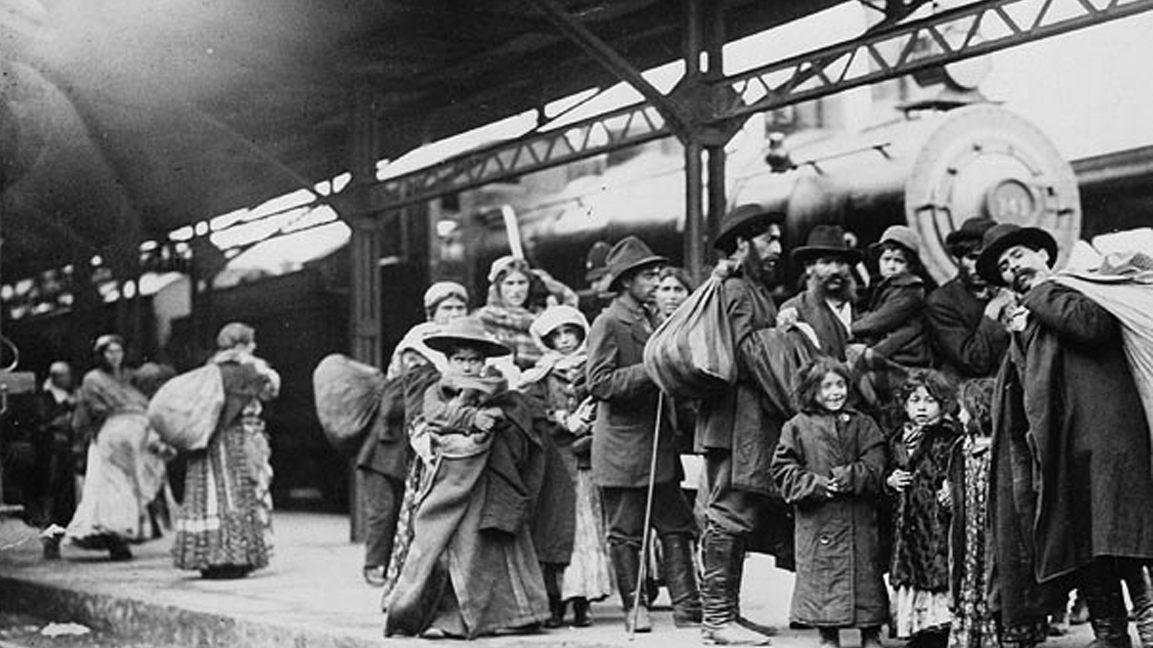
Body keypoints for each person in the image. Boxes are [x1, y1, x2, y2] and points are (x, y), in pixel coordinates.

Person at [976, 223, 1153, 648]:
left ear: (1042, 253)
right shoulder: (1028, 315)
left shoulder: (1078, 288)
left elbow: (1092, 327)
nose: (1012, 268)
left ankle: (1150, 630)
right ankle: (1110, 635)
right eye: (1003, 266)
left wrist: (1039, 292)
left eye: (1018, 255)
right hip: (1063, 445)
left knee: (1123, 537)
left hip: (1108, 438)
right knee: (1084, 543)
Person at [384, 316, 552, 638]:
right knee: (443, 548)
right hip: (450, 482)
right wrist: (473, 416)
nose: (466, 366)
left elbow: (511, 416)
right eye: (460, 359)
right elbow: (433, 416)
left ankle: (512, 617)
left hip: (489, 482)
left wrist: (495, 419)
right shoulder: (436, 390)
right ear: (448, 361)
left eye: (474, 360)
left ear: (484, 362)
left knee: (488, 548)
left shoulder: (498, 388)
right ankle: (443, 618)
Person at [587, 236, 701, 633]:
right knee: (626, 533)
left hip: (659, 444)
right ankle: (634, 608)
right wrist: (652, 370)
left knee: (676, 524)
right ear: (626, 282)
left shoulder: (655, 319)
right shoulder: (608, 322)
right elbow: (599, 383)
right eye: (648, 276)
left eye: (657, 274)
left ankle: (688, 607)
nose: (656, 281)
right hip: (623, 448)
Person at [695, 204, 786, 646]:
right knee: (729, 512)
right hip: (734, 423)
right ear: (740, 244)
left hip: (745, 423)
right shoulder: (735, 289)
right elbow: (750, 353)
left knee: (741, 513)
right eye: (768, 239)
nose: (777, 248)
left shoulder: (752, 289)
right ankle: (716, 619)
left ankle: (728, 614)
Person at [770, 357, 888, 648]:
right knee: (822, 578)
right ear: (812, 390)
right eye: (826, 387)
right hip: (817, 517)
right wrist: (817, 485)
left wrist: (848, 477)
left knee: (866, 575)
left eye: (840, 385)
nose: (835, 393)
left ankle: (870, 632)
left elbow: (876, 465)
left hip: (857, 517)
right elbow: (782, 471)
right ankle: (828, 634)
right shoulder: (797, 426)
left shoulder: (864, 424)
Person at [523, 305, 612, 628]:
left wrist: (586, 426)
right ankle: (554, 600)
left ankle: (582, 602)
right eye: (557, 335)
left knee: (585, 533)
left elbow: (605, 408)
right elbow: (532, 409)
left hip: (584, 460)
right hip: (554, 463)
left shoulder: (592, 370)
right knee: (553, 532)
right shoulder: (539, 375)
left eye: (570, 333)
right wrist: (560, 418)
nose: (564, 340)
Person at [172, 322, 280, 579]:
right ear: (242, 345)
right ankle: (234, 556)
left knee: (207, 497)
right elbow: (271, 390)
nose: (254, 346)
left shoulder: (210, 369)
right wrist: (259, 366)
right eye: (251, 342)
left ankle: (207, 557)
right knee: (238, 495)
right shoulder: (246, 369)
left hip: (207, 440)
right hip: (237, 439)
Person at [66, 335, 168, 561]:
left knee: (132, 486)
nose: (114, 356)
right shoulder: (93, 379)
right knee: (111, 487)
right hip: (110, 437)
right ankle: (114, 538)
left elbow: (151, 387)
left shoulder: (129, 377)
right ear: (101, 355)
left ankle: (130, 532)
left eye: (118, 351)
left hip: (137, 436)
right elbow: (90, 410)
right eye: (109, 352)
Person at [885, 369, 960, 648]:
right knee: (911, 576)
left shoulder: (949, 438)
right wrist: (889, 480)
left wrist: (952, 489)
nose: (921, 408)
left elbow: (958, 472)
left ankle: (937, 631)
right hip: (907, 527)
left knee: (937, 577)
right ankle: (915, 630)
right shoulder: (896, 439)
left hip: (936, 523)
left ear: (942, 405)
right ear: (905, 405)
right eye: (915, 401)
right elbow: (884, 471)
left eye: (929, 401)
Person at [944, 378, 999, 648]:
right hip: (968, 533)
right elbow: (955, 482)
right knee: (970, 578)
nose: (958, 414)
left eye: (963, 409)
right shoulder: (963, 447)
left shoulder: (998, 450)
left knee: (990, 580)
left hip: (988, 533)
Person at [925, 218, 1011, 380]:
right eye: (972, 258)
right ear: (959, 258)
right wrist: (992, 311)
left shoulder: (1007, 291)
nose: (979, 266)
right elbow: (974, 361)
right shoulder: (941, 301)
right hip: (968, 393)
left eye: (987, 259)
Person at [475, 256, 578, 375]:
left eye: (522, 283)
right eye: (509, 283)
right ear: (498, 287)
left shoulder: (543, 320)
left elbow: (569, 300)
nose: (516, 290)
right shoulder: (486, 319)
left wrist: (541, 280)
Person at [852, 225, 933, 372]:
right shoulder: (887, 286)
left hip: (908, 358)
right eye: (886, 259)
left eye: (898, 261)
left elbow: (880, 321)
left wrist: (851, 327)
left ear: (910, 266)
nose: (891, 266)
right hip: (892, 352)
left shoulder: (910, 291)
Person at [779, 225, 863, 361]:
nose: (835, 270)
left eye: (841, 262)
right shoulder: (794, 310)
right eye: (826, 262)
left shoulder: (861, 304)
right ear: (809, 268)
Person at [33, 361, 77, 558]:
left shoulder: (71, 396)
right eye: (63, 375)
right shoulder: (45, 398)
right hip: (53, 455)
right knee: (56, 499)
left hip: (68, 452)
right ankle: (50, 543)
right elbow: (42, 423)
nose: (67, 379)